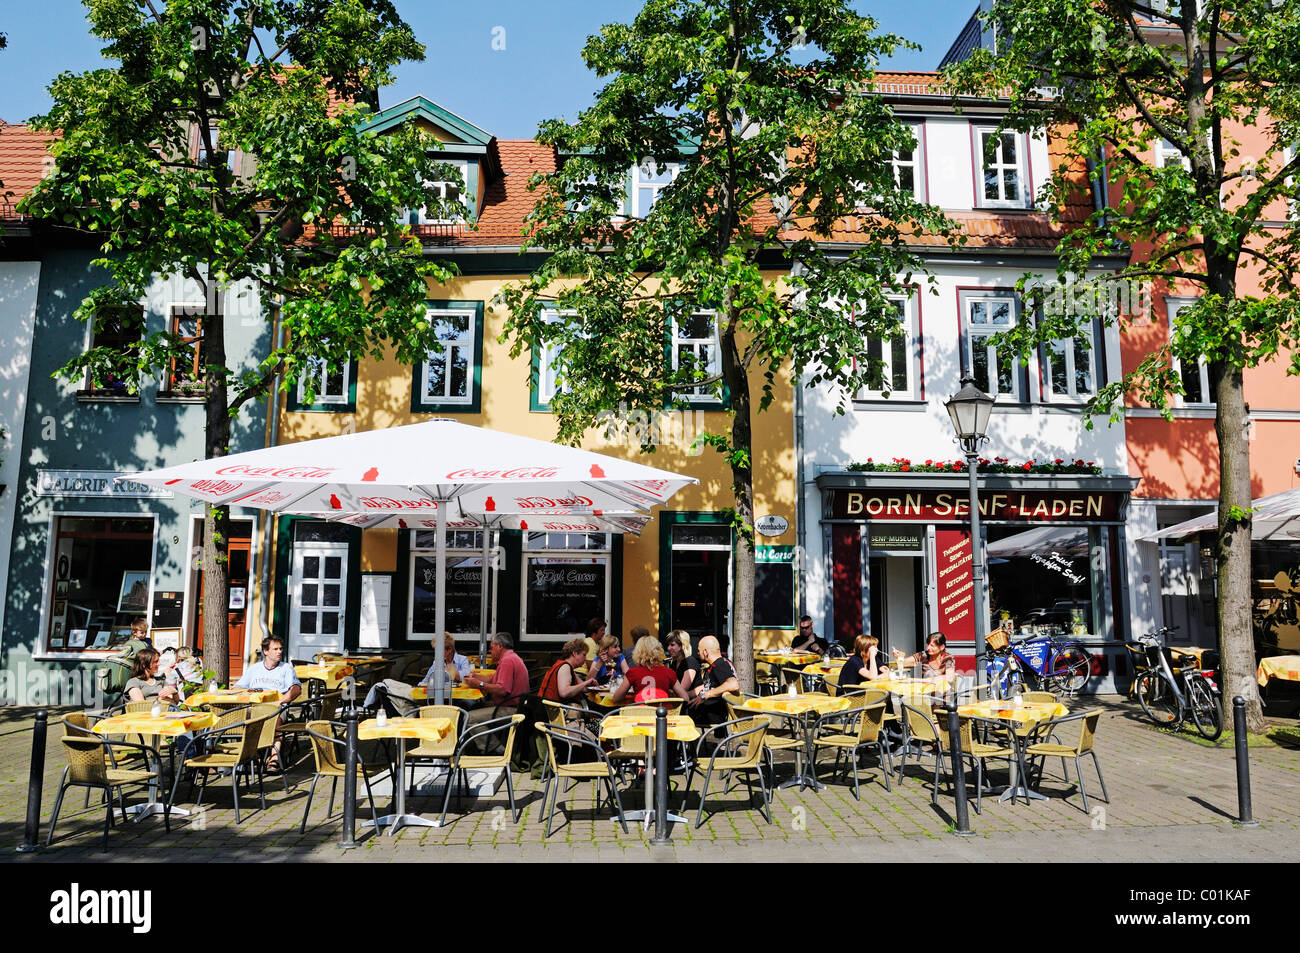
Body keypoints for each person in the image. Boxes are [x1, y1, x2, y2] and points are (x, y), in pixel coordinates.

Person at [463, 633, 531, 749]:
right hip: (518, 706)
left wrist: (479, 684)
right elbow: (492, 679)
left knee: (468, 717)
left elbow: (502, 690)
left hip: (512, 709)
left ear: (500, 646)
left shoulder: (507, 661)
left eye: (491, 647)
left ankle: (496, 748)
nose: (490, 651)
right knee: (475, 706)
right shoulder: (512, 657)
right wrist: (475, 677)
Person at [613, 635, 688, 703]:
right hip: (662, 715)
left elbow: (616, 698)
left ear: (638, 652)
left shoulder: (632, 672)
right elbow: (685, 698)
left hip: (640, 714)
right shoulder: (669, 672)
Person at [687, 635, 739, 727]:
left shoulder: (720, 665)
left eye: (699, 650)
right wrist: (685, 694)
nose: (698, 653)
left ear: (706, 652)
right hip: (710, 711)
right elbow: (705, 687)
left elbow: (733, 684)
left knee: (681, 715)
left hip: (714, 714)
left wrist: (705, 695)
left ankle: (683, 741)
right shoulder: (717, 664)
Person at [540, 638, 599, 704]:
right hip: (554, 711)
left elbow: (583, 688)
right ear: (575, 653)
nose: (585, 659)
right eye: (584, 655)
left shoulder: (567, 666)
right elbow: (564, 692)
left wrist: (593, 687)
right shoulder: (565, 667)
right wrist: (585, 683)